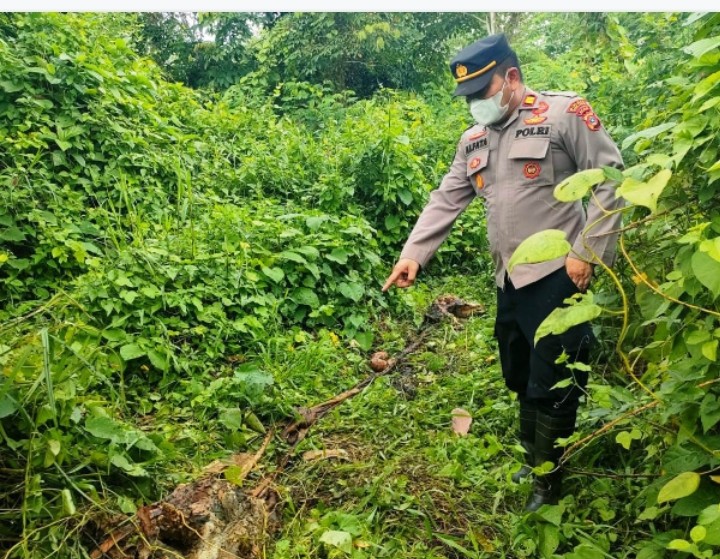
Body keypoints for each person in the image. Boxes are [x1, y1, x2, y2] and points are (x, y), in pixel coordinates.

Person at [382, 33, 624, 512]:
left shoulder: (563, 115)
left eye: (481, 92)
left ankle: (548, 483)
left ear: (511, 77)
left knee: (553, 378)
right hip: (508, 280)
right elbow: (447, 197)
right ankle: (533, 458)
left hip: (559, 274)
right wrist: (414, 252)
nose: (475, 105)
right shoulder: (474, 139)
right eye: (468, 98)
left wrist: (588, 251)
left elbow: (609, 179)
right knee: (519, 372)